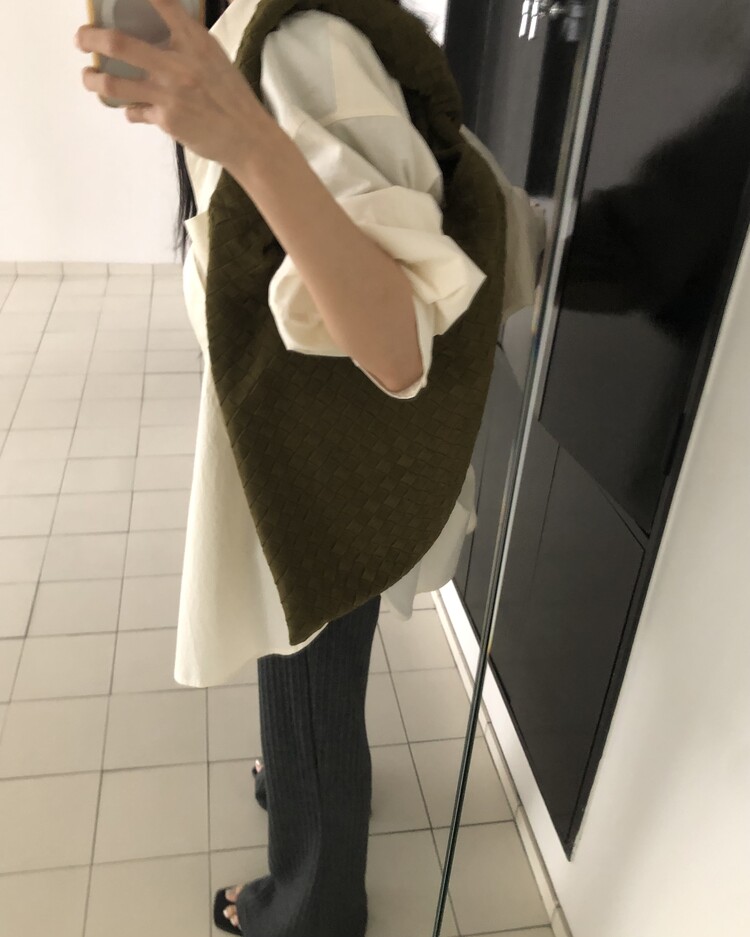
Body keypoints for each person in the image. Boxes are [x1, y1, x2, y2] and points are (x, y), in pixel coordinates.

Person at [76, 1, 543, 934]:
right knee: (310, 673)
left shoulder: (299, 48)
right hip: (310, 426)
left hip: (323, 457)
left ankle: (313, 907)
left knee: (307, 669)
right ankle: (307, 773)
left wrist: (247, 138)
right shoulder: (267, 38)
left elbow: (396, 341)